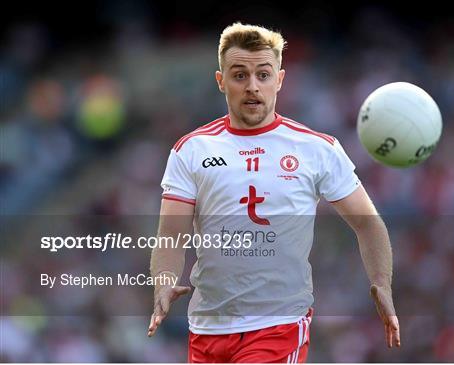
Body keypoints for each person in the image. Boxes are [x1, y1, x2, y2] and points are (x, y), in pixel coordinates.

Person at [147, 22, 400, 363]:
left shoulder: (317, 149)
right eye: (239, 76)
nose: (252, 87)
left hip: (278, 327)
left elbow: (368, 223)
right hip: (207, 329)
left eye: (263, 75)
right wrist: (163, 281)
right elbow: (171, 234)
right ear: (221, 82)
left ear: (279, 80)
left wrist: (381, 281)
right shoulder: (190, 150)